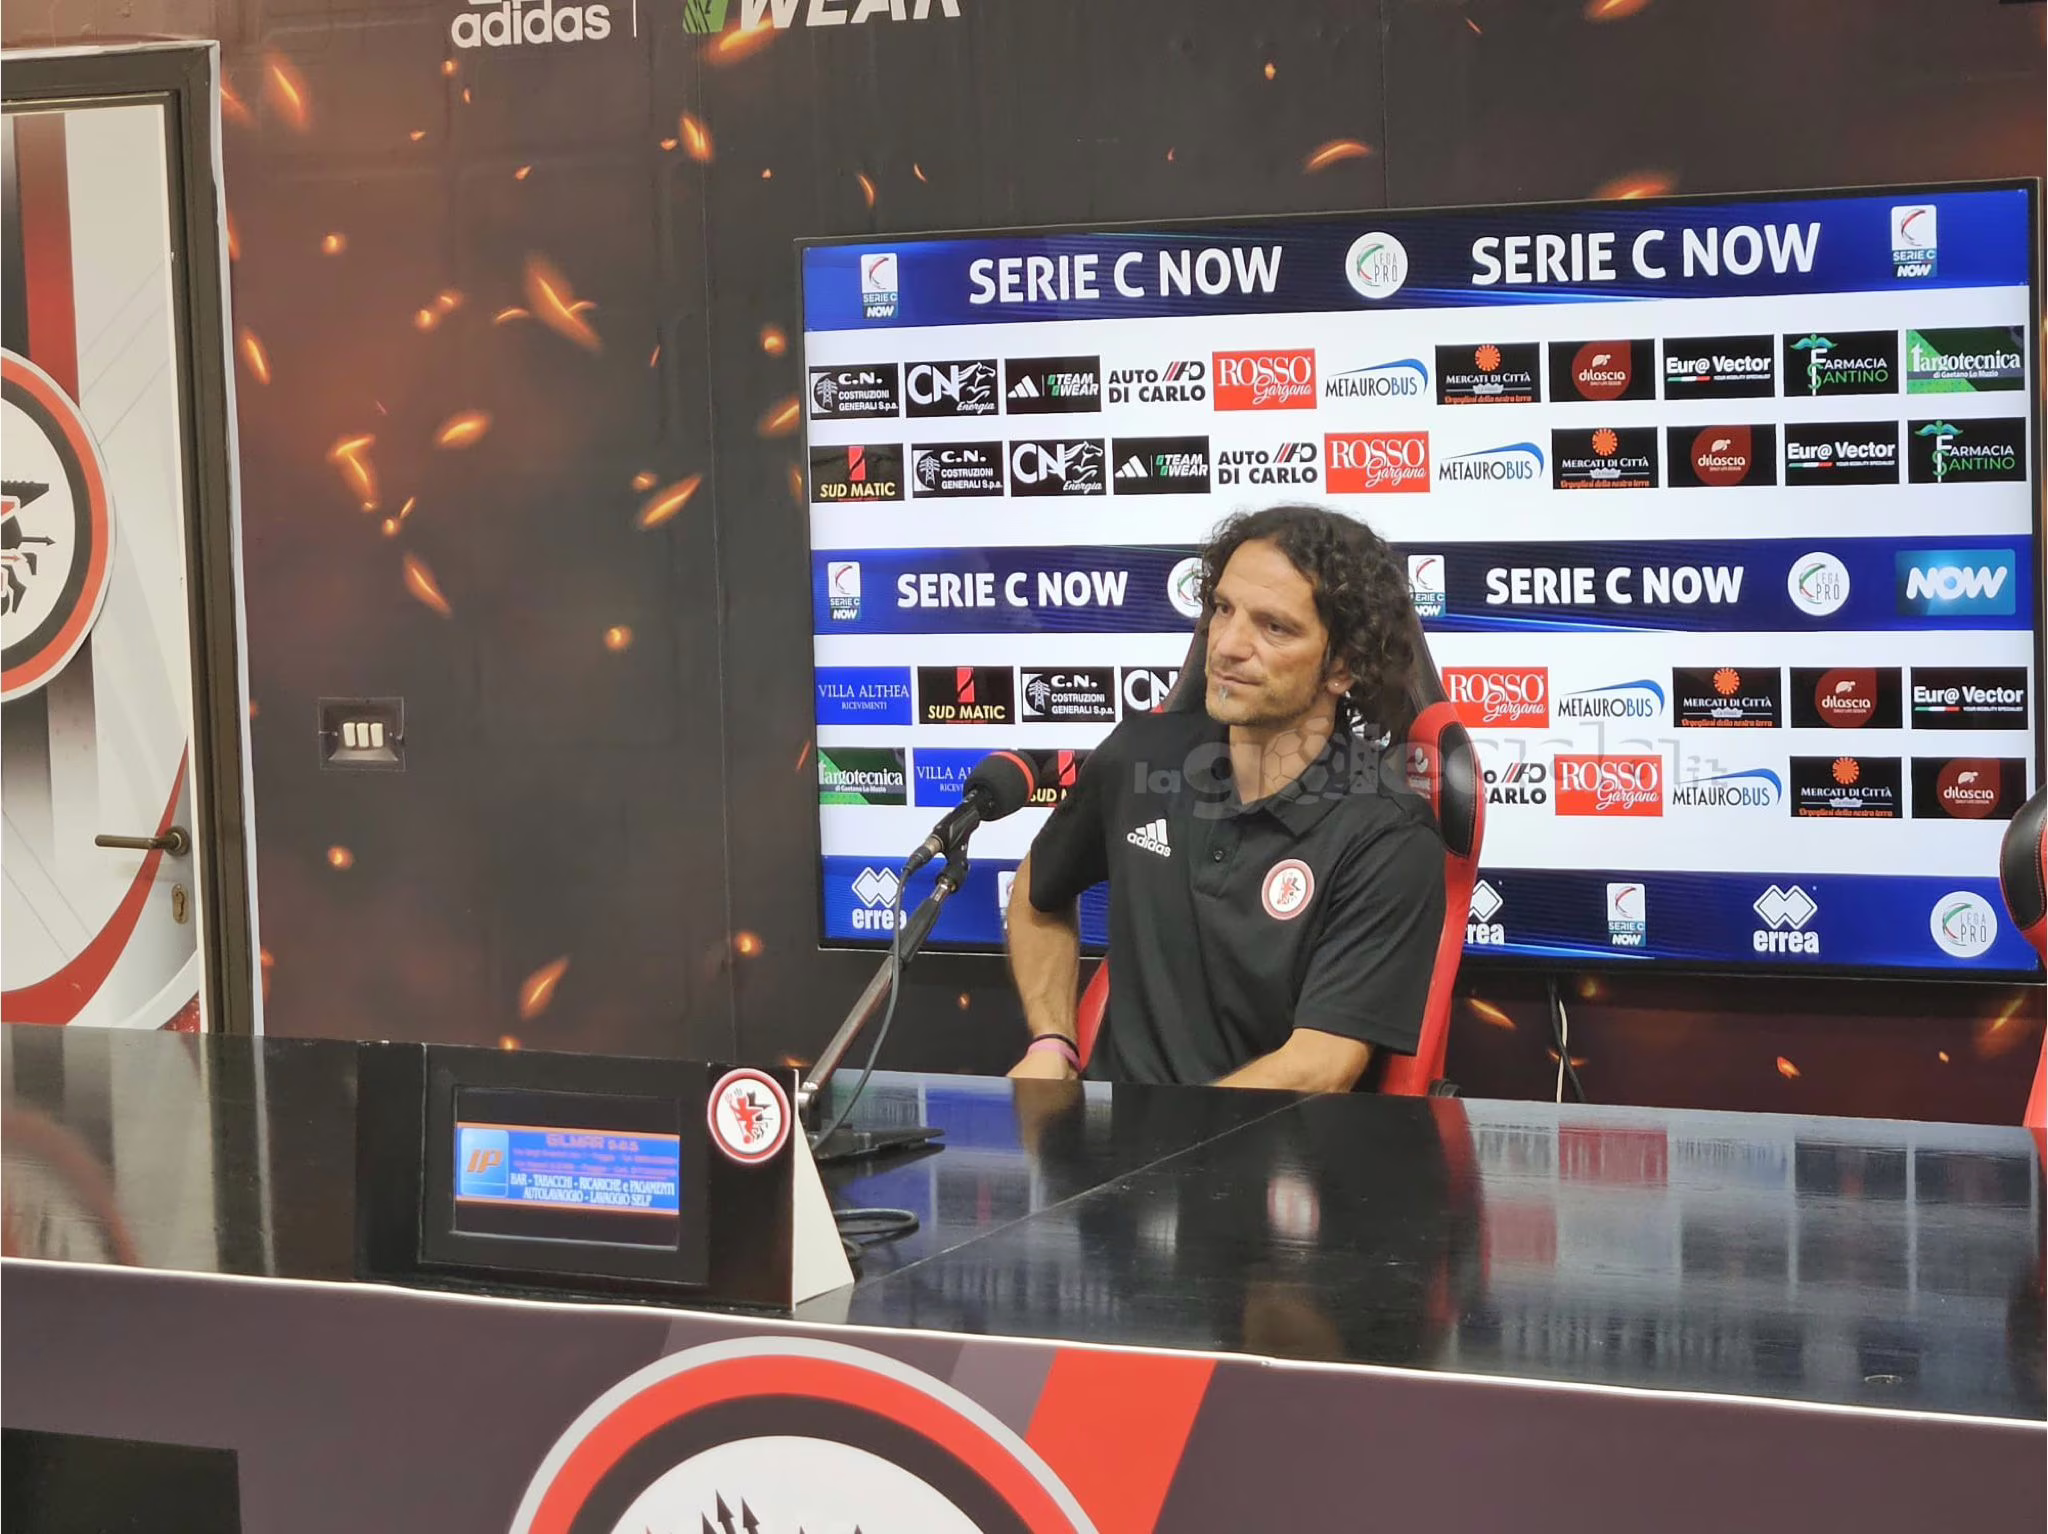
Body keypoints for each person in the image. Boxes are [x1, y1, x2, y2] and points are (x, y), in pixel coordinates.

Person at [1005, 505, 1445, 1090]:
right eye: (1223, 609)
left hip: (1266, 1143)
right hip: (1106, 1138)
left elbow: (1320, 1067)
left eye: (1274, 627)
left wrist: (1163, 1137)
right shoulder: (1139, 756)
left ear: (1341, 667)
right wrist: (1051, 1041)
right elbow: (1038, 892)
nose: (1229, 645)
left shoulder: (1388, 835)